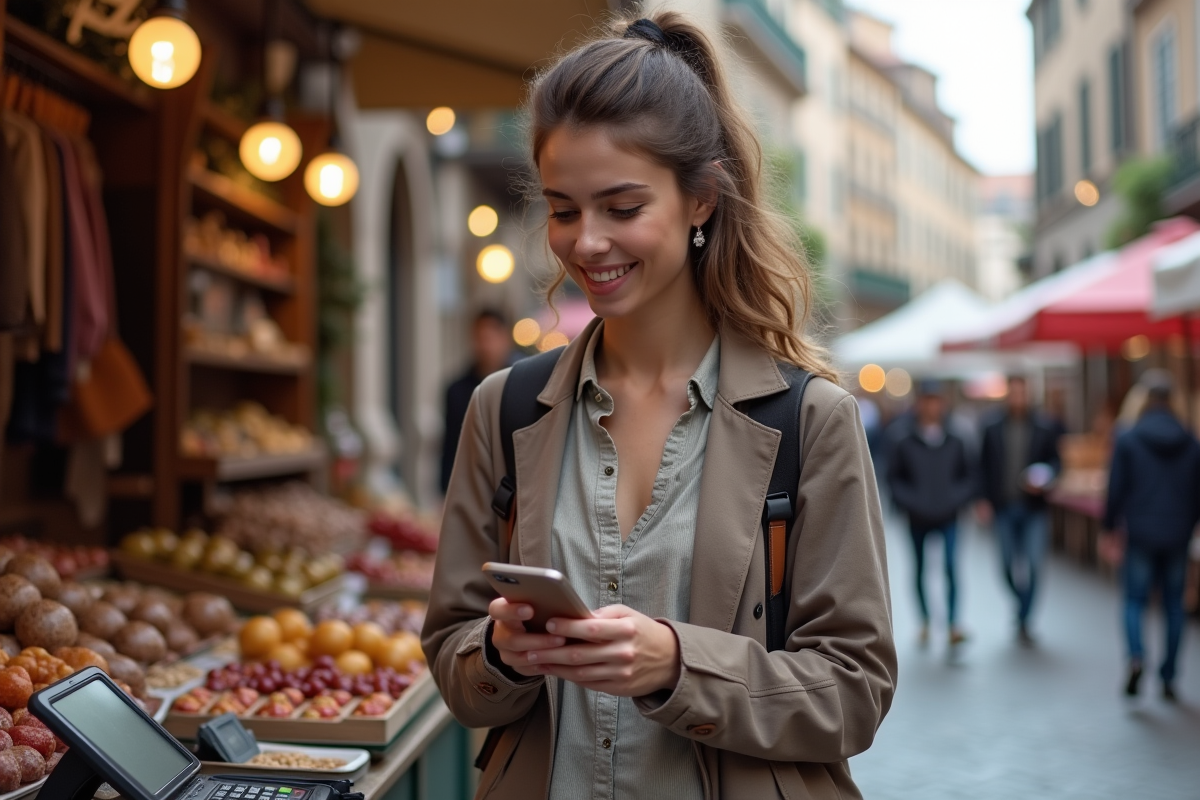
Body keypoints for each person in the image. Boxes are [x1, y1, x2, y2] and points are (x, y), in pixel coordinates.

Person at [422, 12, 896, 800]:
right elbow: (453, 660)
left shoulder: (810, 421)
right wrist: (500, 653)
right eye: (564, 210)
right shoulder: (503, 411)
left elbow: (855, 690)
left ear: (702, 198)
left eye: (622, 206)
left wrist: (680, 665)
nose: (587, 243)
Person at [1102, 369, 1200, 701]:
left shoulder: (1128, 438)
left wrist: (1108, 528)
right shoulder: (1191, 440)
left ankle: (1136, 657)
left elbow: (1115, 489)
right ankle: (1169, 674)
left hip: (1141, 531)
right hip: (1178, 533)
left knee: (1134, 600)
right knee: (1174, 605)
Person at [887, 381, 975, 646]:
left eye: (936, 400)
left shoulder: (956, 438)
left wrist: (954, 499)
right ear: (919, 403)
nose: (931, 406)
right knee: (920, 569)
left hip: (949, 515)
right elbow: (894, 478)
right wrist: (912, 501)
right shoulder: (903, 438)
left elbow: (968, 475)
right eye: (927, 400)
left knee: (950, 566)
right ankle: (925, 620)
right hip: (917, 516)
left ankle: (952, 624)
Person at [978, 375, 1062, 644]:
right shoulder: (992, 427)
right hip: (1004, 506)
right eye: (1013, 393)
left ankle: (1025, 616)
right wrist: (982, 500)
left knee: (1035, 564)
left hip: (1034, 507)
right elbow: (983, 466)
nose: (1018, 398)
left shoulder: (1044, 426)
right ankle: (1022, 601)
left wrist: (1046, 476)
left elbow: (1056, 462)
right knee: (1005, 564)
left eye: (1022, 393)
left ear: (1029, 395)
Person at [439, 308, 515, 495]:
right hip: (470, 486)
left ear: (505, 339)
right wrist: (444, 489)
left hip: (513, 487)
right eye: (479, 338)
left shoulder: (521, 386)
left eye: (490, 338)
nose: (484, 346)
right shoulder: (456, 390)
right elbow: (450, 445)